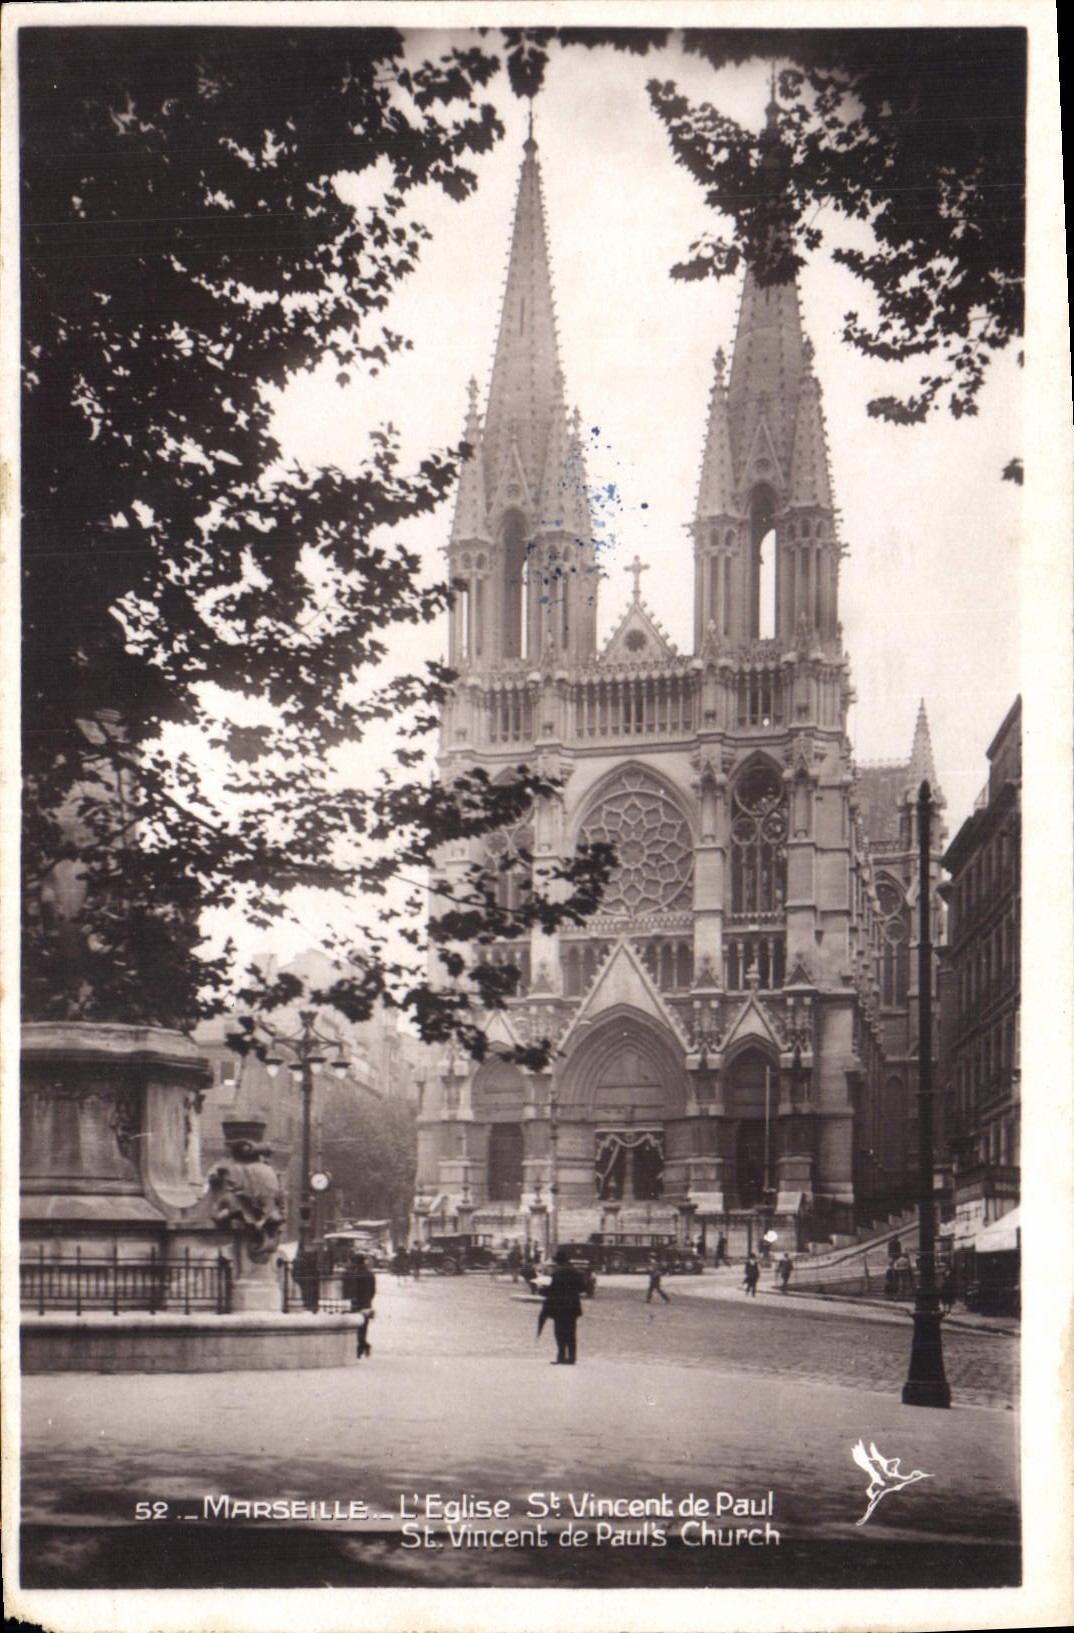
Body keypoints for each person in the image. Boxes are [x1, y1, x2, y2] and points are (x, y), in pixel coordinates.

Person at [538, 1248, 587, 1364]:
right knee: (571, 1332)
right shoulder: (576, 1273)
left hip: (559, 1307)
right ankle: (572, 1357)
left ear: (558, 1263)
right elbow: (583, 1288)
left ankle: (561, 1356)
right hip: (572, 1307)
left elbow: (548, 1291)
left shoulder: (555, 1275)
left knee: (559, 1333)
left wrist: (541, 1289)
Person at [343, 1252, 376, 1358]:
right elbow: (373, 1290)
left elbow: (348, 1288)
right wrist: (369, 1300)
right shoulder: (369, 1273)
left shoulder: (352, 1273)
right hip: (366, 1302)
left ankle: (362, 1346)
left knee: (356, 1325)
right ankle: (363, 1346)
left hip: (355, 1302)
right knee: (363, 1326)